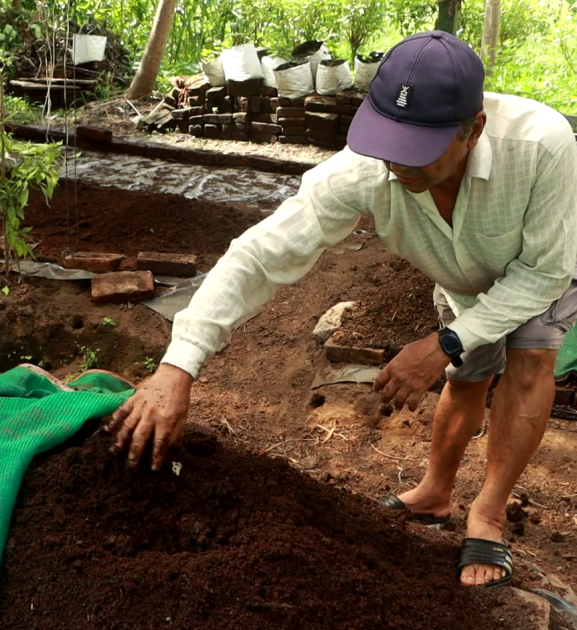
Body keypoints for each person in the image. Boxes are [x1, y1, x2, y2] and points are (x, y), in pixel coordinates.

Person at [106, 31, 577, 587]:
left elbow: (544, 273)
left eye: (418, 149)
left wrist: (442, 342)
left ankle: (490, 512)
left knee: (529, 363)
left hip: (537, 269)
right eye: (389, 139)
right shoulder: (363, 169)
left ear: (472, 130)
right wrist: (177, 366)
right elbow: (259, 255)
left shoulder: (543, 145)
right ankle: (435, 492)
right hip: (462, 284)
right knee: (468, 377)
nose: (398, 163)